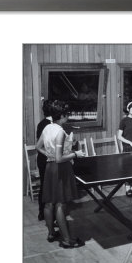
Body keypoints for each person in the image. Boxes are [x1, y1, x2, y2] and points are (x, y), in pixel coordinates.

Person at [36, 100, 86, 248]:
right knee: (60, 204)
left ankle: (51, 233)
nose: (68, 117)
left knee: (49, 203)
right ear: (62, 115)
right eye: (67, 114)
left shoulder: (47, 128)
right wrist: (76, 154)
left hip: (50, 168)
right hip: (60, 169)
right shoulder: (59, 132)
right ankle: (66, 240)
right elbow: (59, 158)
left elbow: (38, 147)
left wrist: (49, 155)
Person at [36, 99, 53, 221]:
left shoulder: (43, 123)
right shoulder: (48, 125)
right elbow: (42, 145)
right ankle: (44, 212)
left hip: (44, 159)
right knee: (46, 187)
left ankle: (43, 212)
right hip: (45, 160)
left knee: (45, 186)